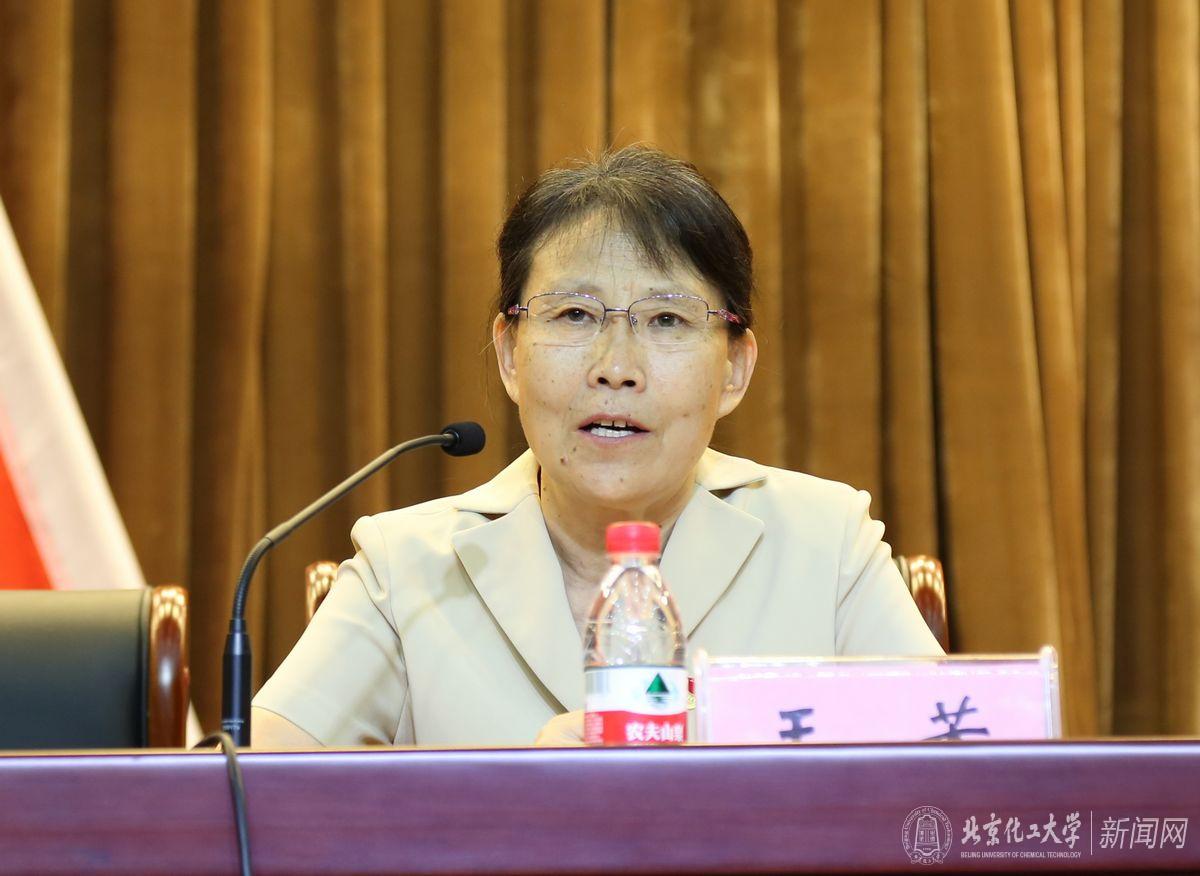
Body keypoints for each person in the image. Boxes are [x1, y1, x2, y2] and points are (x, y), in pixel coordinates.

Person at [251, 146, 942, 748]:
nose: (616, 367)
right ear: (509, 354)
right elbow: (240, 793)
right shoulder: (406, 568)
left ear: (734, 367)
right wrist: (515, 797)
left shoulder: (828, 543)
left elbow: (949, 773)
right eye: (575, 314)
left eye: (666, 319)